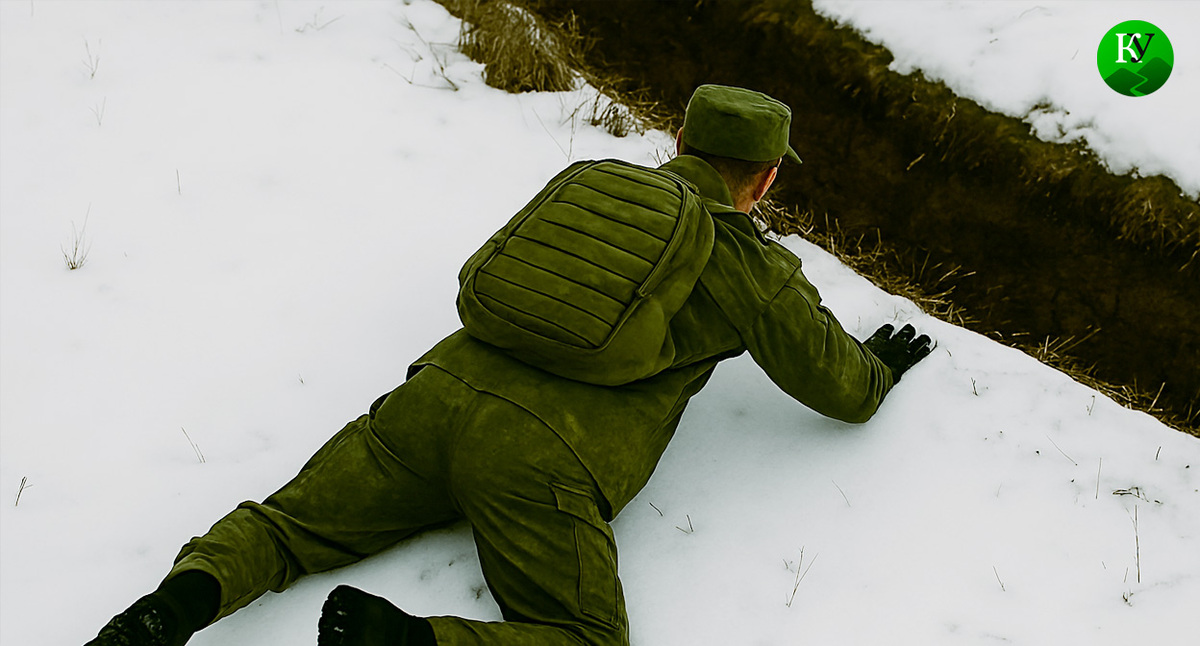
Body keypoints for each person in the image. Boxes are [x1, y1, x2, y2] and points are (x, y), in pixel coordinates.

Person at [85, 84, 932, 646]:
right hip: (545, 460)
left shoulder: (594, 189)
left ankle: (168, 611)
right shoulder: (751, 263)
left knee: (284, 528)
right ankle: (407, 641)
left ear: (678, 138)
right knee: (583, 637)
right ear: (767, 179)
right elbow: (842, 390)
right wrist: (878, 369)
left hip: (431, 400)